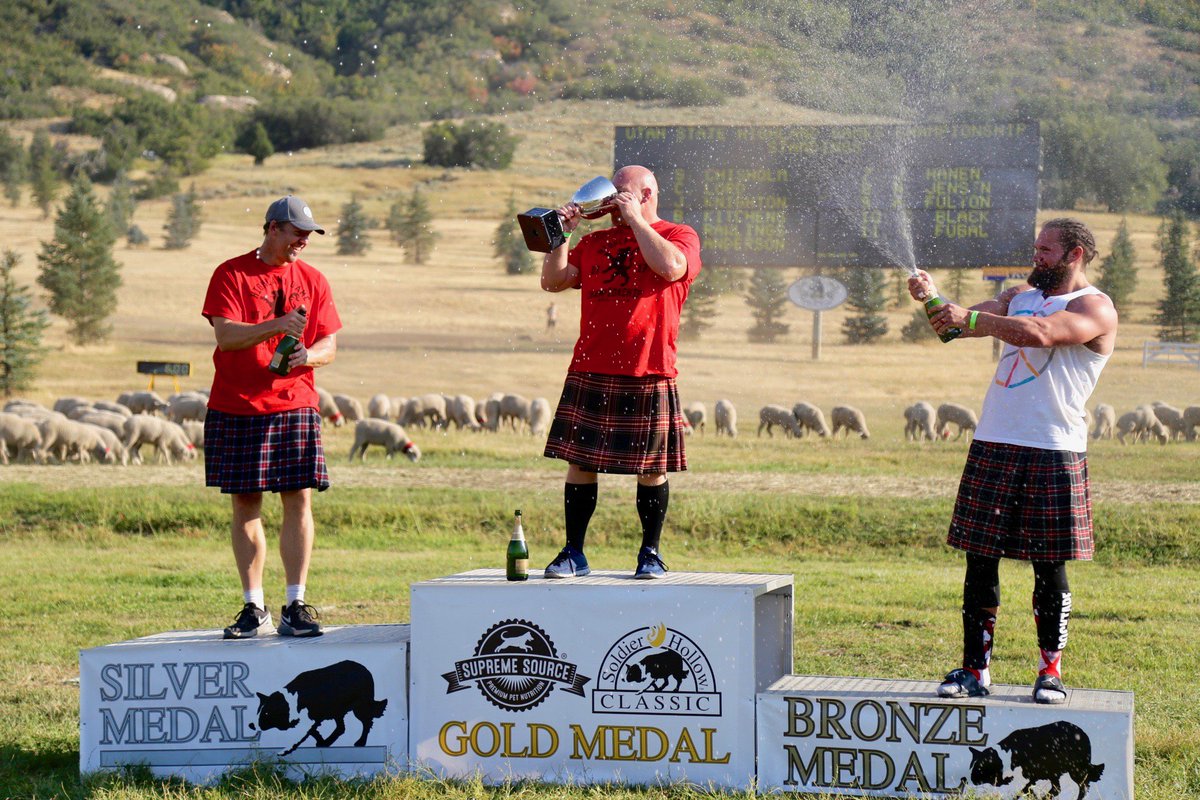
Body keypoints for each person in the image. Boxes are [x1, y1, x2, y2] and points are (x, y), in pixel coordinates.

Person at [909, 217, 1117, 704]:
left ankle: (1050, 673)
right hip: (994, 441)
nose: (1036, 256)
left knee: (1050, 567)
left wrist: (971, 318)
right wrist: (934, 299)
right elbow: (952, 329)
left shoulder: (1094, 307)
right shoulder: (1019, 295)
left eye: (1046, 250)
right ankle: (973, 672)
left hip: (1054, 446)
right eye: (1036, 248)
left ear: (1075, 255)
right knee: (979, 561)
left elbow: (1039, 334)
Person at [539, 165, 701, 580]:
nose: (611, 203)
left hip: (649, 367)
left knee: (652, 468)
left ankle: (650, 553)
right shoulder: (595, 242)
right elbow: (554, 280)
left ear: (647, 194)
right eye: (610, 196)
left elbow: (670, 268)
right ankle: (574, 552)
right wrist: (562, 233)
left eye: (621, 195)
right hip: (592, 364)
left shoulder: (679, 235)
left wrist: (635, 221)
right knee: (579, 462)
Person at [202, 196, 342, 639]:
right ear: (272, 228)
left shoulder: (314, 279)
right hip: (236, 402)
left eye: (308, 234)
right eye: (297, 231)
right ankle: (253, 607)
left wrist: (309, 355)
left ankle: (296, 605)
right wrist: (279, 325)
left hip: (294, 402)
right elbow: (226, 336)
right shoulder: (232, 273)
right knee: (245, 504)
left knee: (298, 499)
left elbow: (330, 346)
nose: (304, 240)